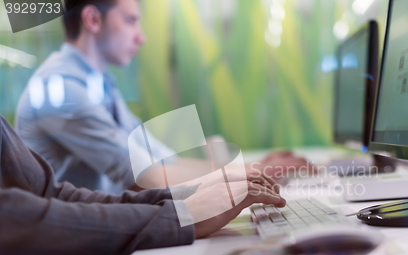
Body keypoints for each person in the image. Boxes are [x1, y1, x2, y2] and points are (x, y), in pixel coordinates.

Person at [0, 115, 286, 255]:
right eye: (132, 30)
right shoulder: (67, 92)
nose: (141, 38)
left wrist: (188, 196)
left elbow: (54, 196)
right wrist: (181, 215)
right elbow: (148, 174)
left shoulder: (100, 86)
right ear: (93, 30)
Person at [15, 0, 311, 195]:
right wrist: (254, 173)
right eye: (131, 20)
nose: (141, 37)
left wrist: (248, 168)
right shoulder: (61, 90)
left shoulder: (101, 85)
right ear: (92, 19)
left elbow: (161, 161)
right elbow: (149, 180)